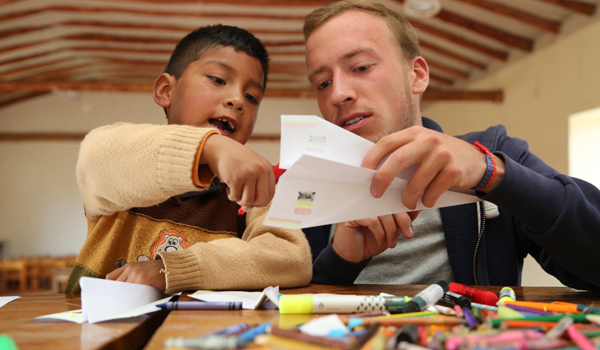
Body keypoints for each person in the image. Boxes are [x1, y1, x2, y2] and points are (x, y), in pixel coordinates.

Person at [302, 0, 600, 291]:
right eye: (323, 84)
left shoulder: (494, 151)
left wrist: (492, 174)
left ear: (417, 75)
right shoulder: (304, 189)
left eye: (361, 67)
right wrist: (339, 262)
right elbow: (277, 309)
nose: (338, 94)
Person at [65, 24, 312, 294]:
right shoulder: (127, 160)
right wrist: (211, 147)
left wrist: (174, 268)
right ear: (166, 91)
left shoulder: (253, 187)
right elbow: (96, 154)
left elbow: (292, 259)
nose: (237, 100)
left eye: (251, 96)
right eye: (218, 79)